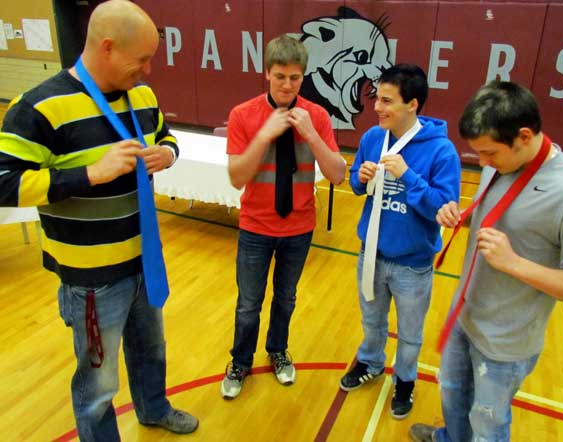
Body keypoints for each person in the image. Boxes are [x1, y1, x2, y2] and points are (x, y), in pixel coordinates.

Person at [0, 1, 198, 440]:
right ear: (107, 47)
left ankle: (153, 408)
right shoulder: (38, 107)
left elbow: (165, 134)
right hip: (91, 278)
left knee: (152, 350)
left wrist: (167, 152)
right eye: (141, 59)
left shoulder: (141, 96)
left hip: (144, 260)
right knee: (99, 381)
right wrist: (91, 173)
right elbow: (2, 183)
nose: (148, 69)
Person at [410, 81, 563, 442]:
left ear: (524, 136)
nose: (481, 162)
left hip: (505, 345)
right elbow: (498, 215)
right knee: (452, 396)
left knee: (489, 427)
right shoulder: (501, 161)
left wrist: (513, 263)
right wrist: (462, 214)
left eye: (488, 153)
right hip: (464, 317)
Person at [221, 34, 346, 399]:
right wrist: (264, 135)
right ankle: (240, 361)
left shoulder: (317, 116)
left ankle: (277, 350)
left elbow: (338, 174)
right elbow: (236, 177)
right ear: (267, 74)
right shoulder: (243, 115)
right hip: (255, 228)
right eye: (280, 76)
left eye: (294, 77)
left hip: (299, 227)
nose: (287, 84)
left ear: (303, 77)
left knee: (286, 298)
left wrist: (309, 133)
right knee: (248, 303)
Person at [341, 64, 461, 419]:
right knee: (372, 320)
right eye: (377, 98)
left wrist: (407, 176)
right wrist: (360, 178)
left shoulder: (442, 152)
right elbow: (355, 183)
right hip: (372, 253)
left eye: (387, 100)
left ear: (412, 104)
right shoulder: (372, 138)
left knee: (410, 332)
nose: (377, 107)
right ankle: (371, 361)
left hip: (412, 264)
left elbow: (442, 208)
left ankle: (405, 379)